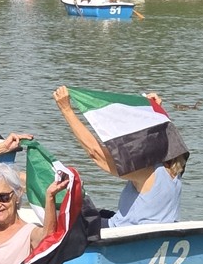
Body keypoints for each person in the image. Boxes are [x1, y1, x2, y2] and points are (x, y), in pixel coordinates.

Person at [52, 85, 186, 227]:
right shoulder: (175, 169)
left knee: (62, 216)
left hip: (124, 233)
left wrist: (67, 110)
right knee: (90, 210)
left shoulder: (147, 173)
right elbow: (163, 134)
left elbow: (96, 153)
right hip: (147, 229)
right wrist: (153, 111)